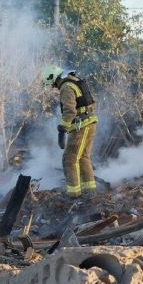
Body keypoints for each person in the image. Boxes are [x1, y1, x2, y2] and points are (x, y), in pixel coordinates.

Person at [42, 65, 98, 198]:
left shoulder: (66, 87)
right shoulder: (74, 81)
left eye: (53, 84)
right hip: (87, 122)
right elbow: (91, 101)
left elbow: (70, 110)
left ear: (54, 78)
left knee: (69, 158)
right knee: (83, 157)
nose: (54, 87)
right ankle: (89, 191)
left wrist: (63, 128)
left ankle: (73, 194)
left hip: (81, 125)